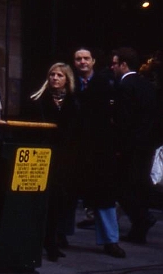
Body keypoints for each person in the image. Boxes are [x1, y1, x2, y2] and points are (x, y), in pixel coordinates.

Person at [72, 47, 126, 258]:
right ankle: (60, 234)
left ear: (93, 61)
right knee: (67, 193)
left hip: (100, 147)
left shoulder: (105, 83)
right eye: (78, 59)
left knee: (104, 195)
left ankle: (110, 240)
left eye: (86, 58)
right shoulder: (70, 81)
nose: (82, 62)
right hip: (75, 145)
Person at [28, 62, 79, 261]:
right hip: (41, 155)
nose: (55, 78)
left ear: (67, 79)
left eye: (59, 75)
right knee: (38, 201)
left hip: (63, 157)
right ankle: (35, 241)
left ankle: (52, 241)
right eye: (52, 75)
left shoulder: (73, 102)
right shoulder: (38, 100)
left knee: (57, 201)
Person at [112, 47, 160, 244]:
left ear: (124, 65)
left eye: (115, 63)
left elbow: (123, 120)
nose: (112, 67)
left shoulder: (125, 86)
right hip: (146, 145)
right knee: (138, 186)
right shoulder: (147, 86)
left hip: (130, 146)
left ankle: (142, 218)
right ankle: (139, 229)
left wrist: (119, 146)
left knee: (122, 187)